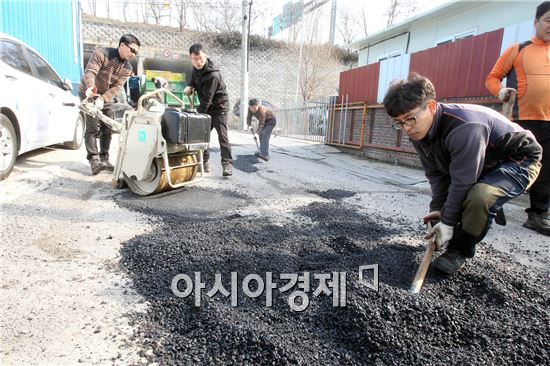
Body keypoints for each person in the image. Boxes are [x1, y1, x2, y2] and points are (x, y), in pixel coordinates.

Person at [383, 74, 542, 275]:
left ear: (431, 107)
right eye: (398, 123)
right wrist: (439, 212)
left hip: (518, 159)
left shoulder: (465, 127)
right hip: (481, 162)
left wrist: (448, 222)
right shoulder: (418, 130)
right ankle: (466, 222)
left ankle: (460, 251)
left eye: (410, 119)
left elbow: (463, 182)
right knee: (447, 210)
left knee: (480, 196)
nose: (405, 129)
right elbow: (438, 176)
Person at [485, 1, 550, 235]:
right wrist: (500, 91)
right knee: (505, 162)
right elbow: (492, 78)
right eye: (548, 20)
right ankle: (492, 201)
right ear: (536, 22)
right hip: (521, 121)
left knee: (546, 170)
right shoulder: (518, 49)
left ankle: (538, 215)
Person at [79, 34, 141, 175]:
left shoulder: (128, 68)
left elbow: (116, 87)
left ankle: (104, 158)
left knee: (108, 126)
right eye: (132, 50)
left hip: (105, 96)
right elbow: (91, 72)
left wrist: (103, 99)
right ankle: (94, 160)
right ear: (122, 45)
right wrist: (90, 88)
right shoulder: (102, 53)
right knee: (92, 126)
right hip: (88, 92)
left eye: (136, 52)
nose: (133, 54)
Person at [183, 44, 233, 176]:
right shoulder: (196, 69)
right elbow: (193, 81)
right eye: (195, 59)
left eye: (200, 59)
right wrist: (190, 86)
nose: (198, 62)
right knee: (202, 136)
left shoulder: (213, 75)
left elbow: (207, 99)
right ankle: (204, 163)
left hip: (219, 107)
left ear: (205, 56)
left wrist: (197, 116)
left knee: (222, 136)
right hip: (207, 105)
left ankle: (227, 164)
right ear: (191, 58)